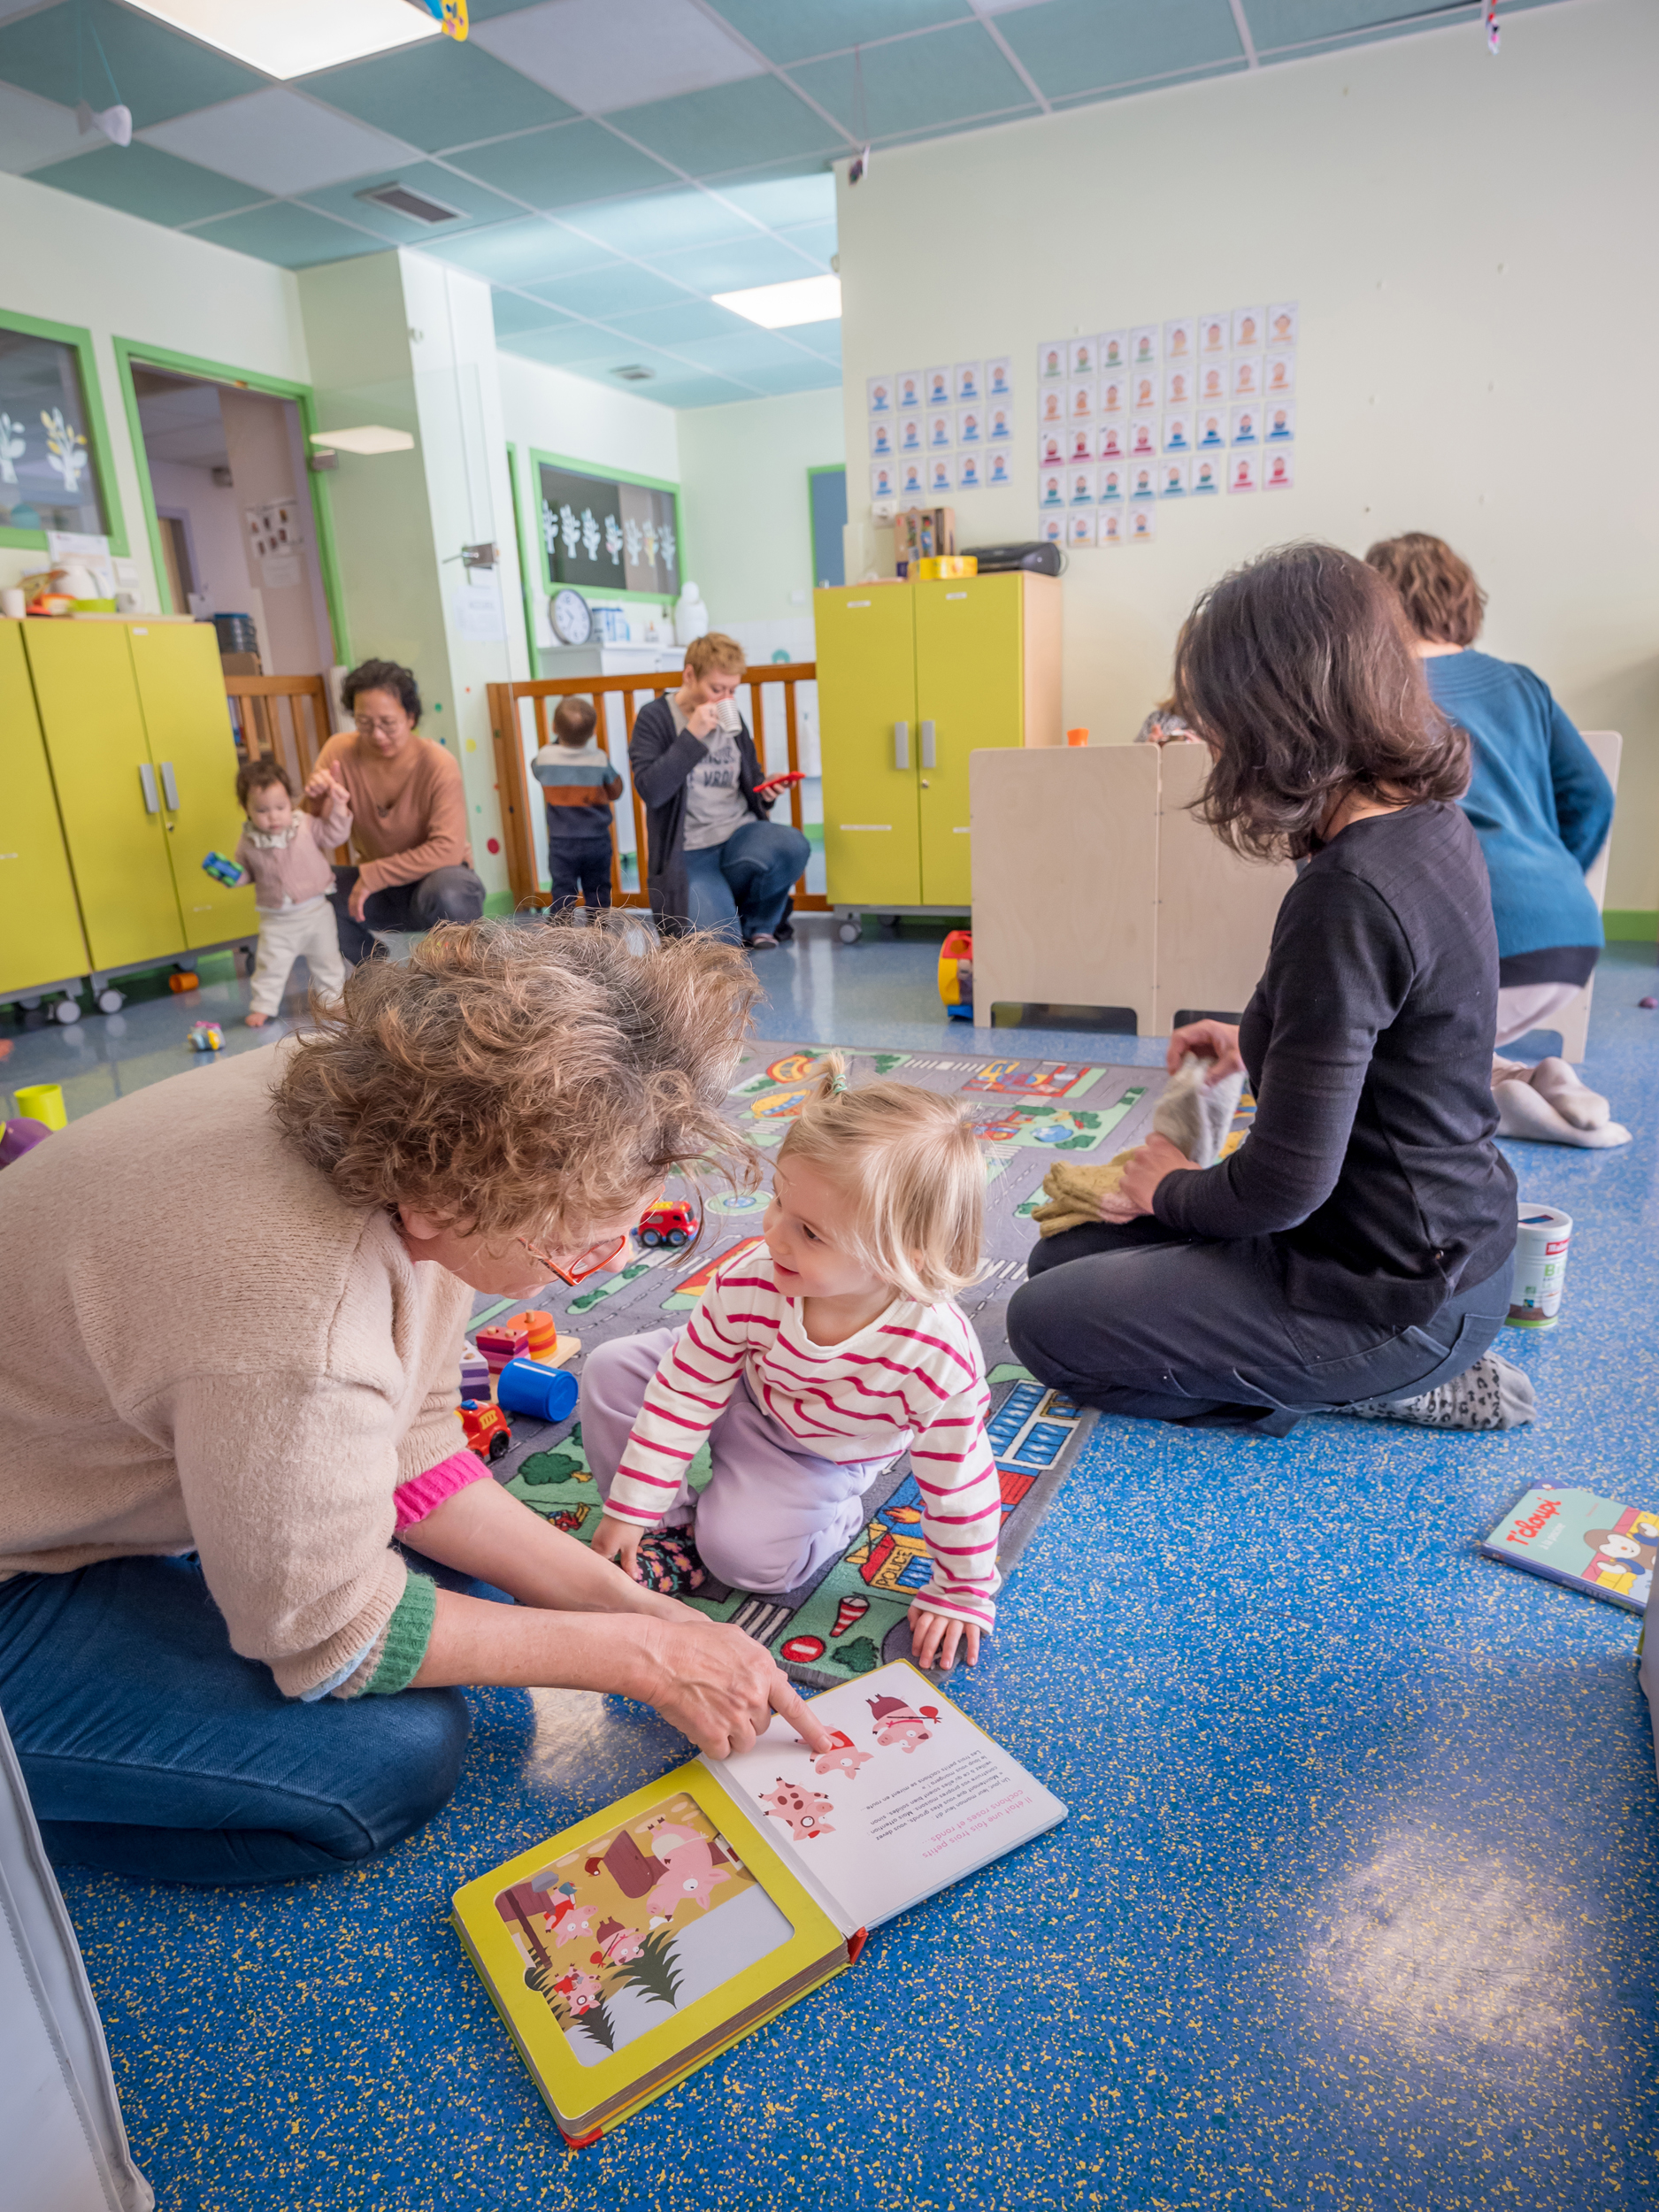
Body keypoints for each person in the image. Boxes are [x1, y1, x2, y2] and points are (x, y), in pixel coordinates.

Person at [0, 920, 830, 1885]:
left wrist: (630, 1607)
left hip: (103, 1439)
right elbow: (325, 1637)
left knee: (469, 1598)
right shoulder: (302, 1327)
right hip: (21, 1570)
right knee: (389, 1756)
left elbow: (417, 1447)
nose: (594, 1268)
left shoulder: (403, 1117)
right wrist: (638, 1659)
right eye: (579, 1249)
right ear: (448, 1207)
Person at [1007, 542, 1530, 1437]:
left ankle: (1375, 1383)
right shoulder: (1424, 823)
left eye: (1214, 720)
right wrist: (1259, 1038)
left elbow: (1284, 1184)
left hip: (1391, 1296)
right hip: (1442, 1247)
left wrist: (1169, 1188)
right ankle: (1357, 1359)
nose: (1206, 740)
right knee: (1061, 1258)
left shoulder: (1349, 889)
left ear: (1276, 718)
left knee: (1043, 1327)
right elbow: (1385, 1027)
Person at [581, 1063, 1000, 1674]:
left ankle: (831, 1515)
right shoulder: (756, 1272)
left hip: (819, 1449)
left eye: (809, 1232)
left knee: (745, 1561)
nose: (773, 1234)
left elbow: (959, 1479)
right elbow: (686, 1386)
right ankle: (668, 1532)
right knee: (612, 1367)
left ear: (899, 1259)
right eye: (778, 1201)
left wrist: (962, 1589)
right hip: (741, 1380)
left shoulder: (936, 1355)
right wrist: (634, 1507)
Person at [1363, 533, 1616, 1050]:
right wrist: (1551, 876)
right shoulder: (1521, 683)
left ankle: (1509, 1091)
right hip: (1569, 937)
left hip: (1477, 947)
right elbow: (1593, 797)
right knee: (1453, 1048)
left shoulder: (1377, 691)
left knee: (1380, 1061)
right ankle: (1540, 1081)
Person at [629, 633, 809, 949]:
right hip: (689, 850)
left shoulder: (732, 716)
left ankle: (759, 924)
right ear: (689, 675)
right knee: (719, 948)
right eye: (717, 689)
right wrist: (693, 734)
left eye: (732, 691)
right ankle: (724, 908)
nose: (725, 698)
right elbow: (651, 791)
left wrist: (766, 791)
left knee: (792, 845)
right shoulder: (654, 717)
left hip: (737, 835)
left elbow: (749, 780)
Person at [307, 658, 486, 966]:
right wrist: (315, 801)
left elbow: (447, 850)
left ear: (410, 717)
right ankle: (374, 974)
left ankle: (463, 975)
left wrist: (375, 875)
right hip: (380, 895)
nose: (377, 735)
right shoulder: (338, 752)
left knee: (450, 891)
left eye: (388, 724)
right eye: (364, 723)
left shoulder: (438, 763)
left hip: (438, 883)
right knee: (311, 888)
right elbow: (306, 837)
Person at [230, 757, 351, 1028]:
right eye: (262, 810)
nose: (273, 816)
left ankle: (332, 1002)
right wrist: (232, 877)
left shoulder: (304, 824)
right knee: (269, 965)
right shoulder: (249, 840)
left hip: (316, 911)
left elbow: (334, 835)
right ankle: (264, 1005)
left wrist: (340, 807)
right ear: (245, 808)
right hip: (276, 919)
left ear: (291, 802)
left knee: (328, 961)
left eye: (280, 807)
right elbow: (246, 873)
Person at [531, 695, 622, 916]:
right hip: (597, 840)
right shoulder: (599, 759)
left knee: (562, 890)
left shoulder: (544, 757)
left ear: (554, 727)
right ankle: (600, 934)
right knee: (598, 889)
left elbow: (536, 771)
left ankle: (561, 937)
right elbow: (616, 790)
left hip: (562, 841)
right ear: (592, 733)